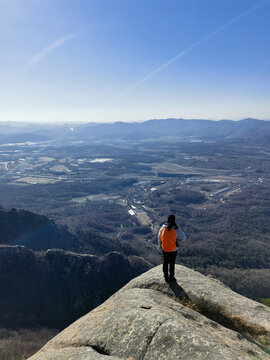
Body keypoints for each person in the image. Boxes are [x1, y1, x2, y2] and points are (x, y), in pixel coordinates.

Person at [158, 214, 187, 282]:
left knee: (165, 262)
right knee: (172, 263)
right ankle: (171, 277)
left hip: (164, 248)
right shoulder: (176, 228)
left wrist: (160, 245)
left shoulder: (163, 227)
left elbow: (159, 237)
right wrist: (177, 241)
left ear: (167, 220)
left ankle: (166, 277)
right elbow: (184, 238)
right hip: (173, 249)